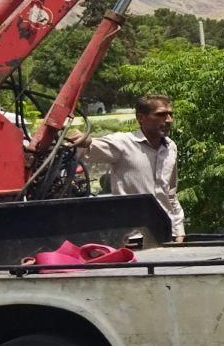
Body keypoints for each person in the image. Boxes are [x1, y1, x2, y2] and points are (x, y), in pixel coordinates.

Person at [68, 94, 186, 240]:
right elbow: (91, 147)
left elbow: (170, 194)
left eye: (170, 114)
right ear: (141, 118)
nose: (168, 120)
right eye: (161, 115)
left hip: (166, 234)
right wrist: (84, 141)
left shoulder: (170, 147)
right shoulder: (123, 143)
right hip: (134, 238)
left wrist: (179, 231)